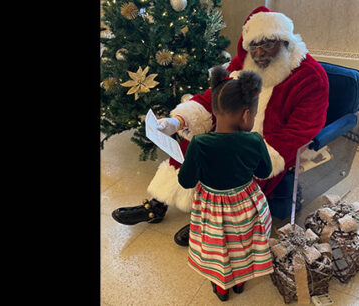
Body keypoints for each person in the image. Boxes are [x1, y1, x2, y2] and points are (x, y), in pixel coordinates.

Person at [111, 6, 329, 247]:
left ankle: (207, 221)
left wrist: (253, 154)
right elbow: (213, 98)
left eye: (267, 45)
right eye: (253, 47)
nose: (259, 54)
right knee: (191, 146)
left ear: (285, 42)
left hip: (268, 145)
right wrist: (177, 121)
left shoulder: (311, 77)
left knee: (234, 175)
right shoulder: (244, 62)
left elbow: (300, 131)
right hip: (233, 131)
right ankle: (157, 204)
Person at [180, 66, 273, 301]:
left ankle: (221, 286)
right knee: (243, 242)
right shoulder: (254, 140)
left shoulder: (199, 144)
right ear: (245, 115)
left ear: (214, 109)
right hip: (245, 204)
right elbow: (265, 171)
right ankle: (240, 280)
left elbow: (186, 180)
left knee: (218, 245)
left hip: (211, 209)